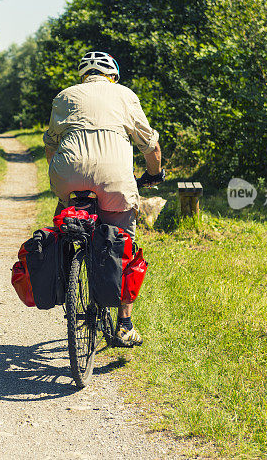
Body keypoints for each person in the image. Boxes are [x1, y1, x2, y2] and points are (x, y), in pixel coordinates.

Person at [43, 51, 165, 347]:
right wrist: (153, 175)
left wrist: (59, 180)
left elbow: (51, 144)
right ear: (113, 75)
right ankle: (124, 324)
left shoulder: (65, 96)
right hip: (113, 180)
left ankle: (65, 279)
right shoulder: (124, 95)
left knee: (64, 225)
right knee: (123, 243)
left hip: (67, 175)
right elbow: (150, 146)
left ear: (83, 75)